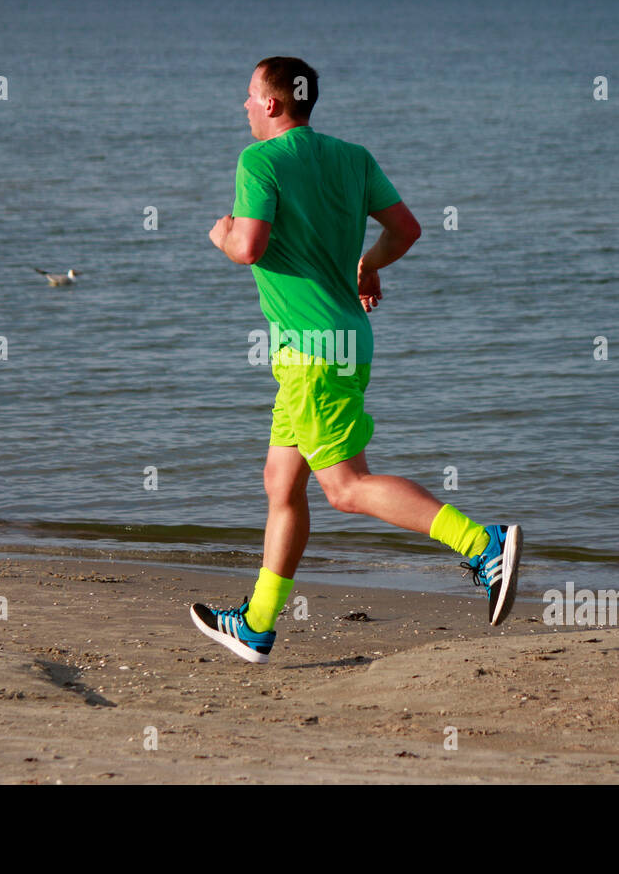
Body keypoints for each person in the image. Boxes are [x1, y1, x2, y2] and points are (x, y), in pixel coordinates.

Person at [191, 56, 521, 663]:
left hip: (312, 352)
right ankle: (257, 624)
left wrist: (222, 232)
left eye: (247, 95)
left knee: (345, 487)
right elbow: (408, 230)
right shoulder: (353, 157)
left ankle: (482, 542)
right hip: (339, 343)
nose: (242, 105)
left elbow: (249, 245)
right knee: (280, 481)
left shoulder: (258, 162)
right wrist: (366, 266)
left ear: (271, 103)